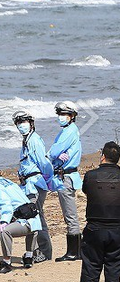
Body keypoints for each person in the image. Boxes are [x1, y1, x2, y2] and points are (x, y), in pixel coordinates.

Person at [73, 142, 120, 282]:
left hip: (95, 226)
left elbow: (86, 191)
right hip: (116, 228)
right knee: (114, 264)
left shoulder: (91, 176)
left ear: (102, 157)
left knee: (91, 264)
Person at [12, 110, 54, 263]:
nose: (21, 126)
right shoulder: (27, 140)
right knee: (35, 216)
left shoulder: (34, 140)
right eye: (19, 123)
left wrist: (48, 179)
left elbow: (44, 163)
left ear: (31, 124)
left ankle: (43, 251)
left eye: (24, 122)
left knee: (35, 217)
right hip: (28, 184)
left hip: (35, 184)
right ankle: (38, 250)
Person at [48, 101, 83, 262]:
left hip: (66, 177)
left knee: (70, 215)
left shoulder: (69, 131)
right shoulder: (66, 131)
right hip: (64, 176)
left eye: (65, 114)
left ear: (72, 116)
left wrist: (53, 155)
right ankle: (76, 251)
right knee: (69, 214)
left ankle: (74, 252)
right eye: (60, 114)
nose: (61, 117)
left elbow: (54, 151)